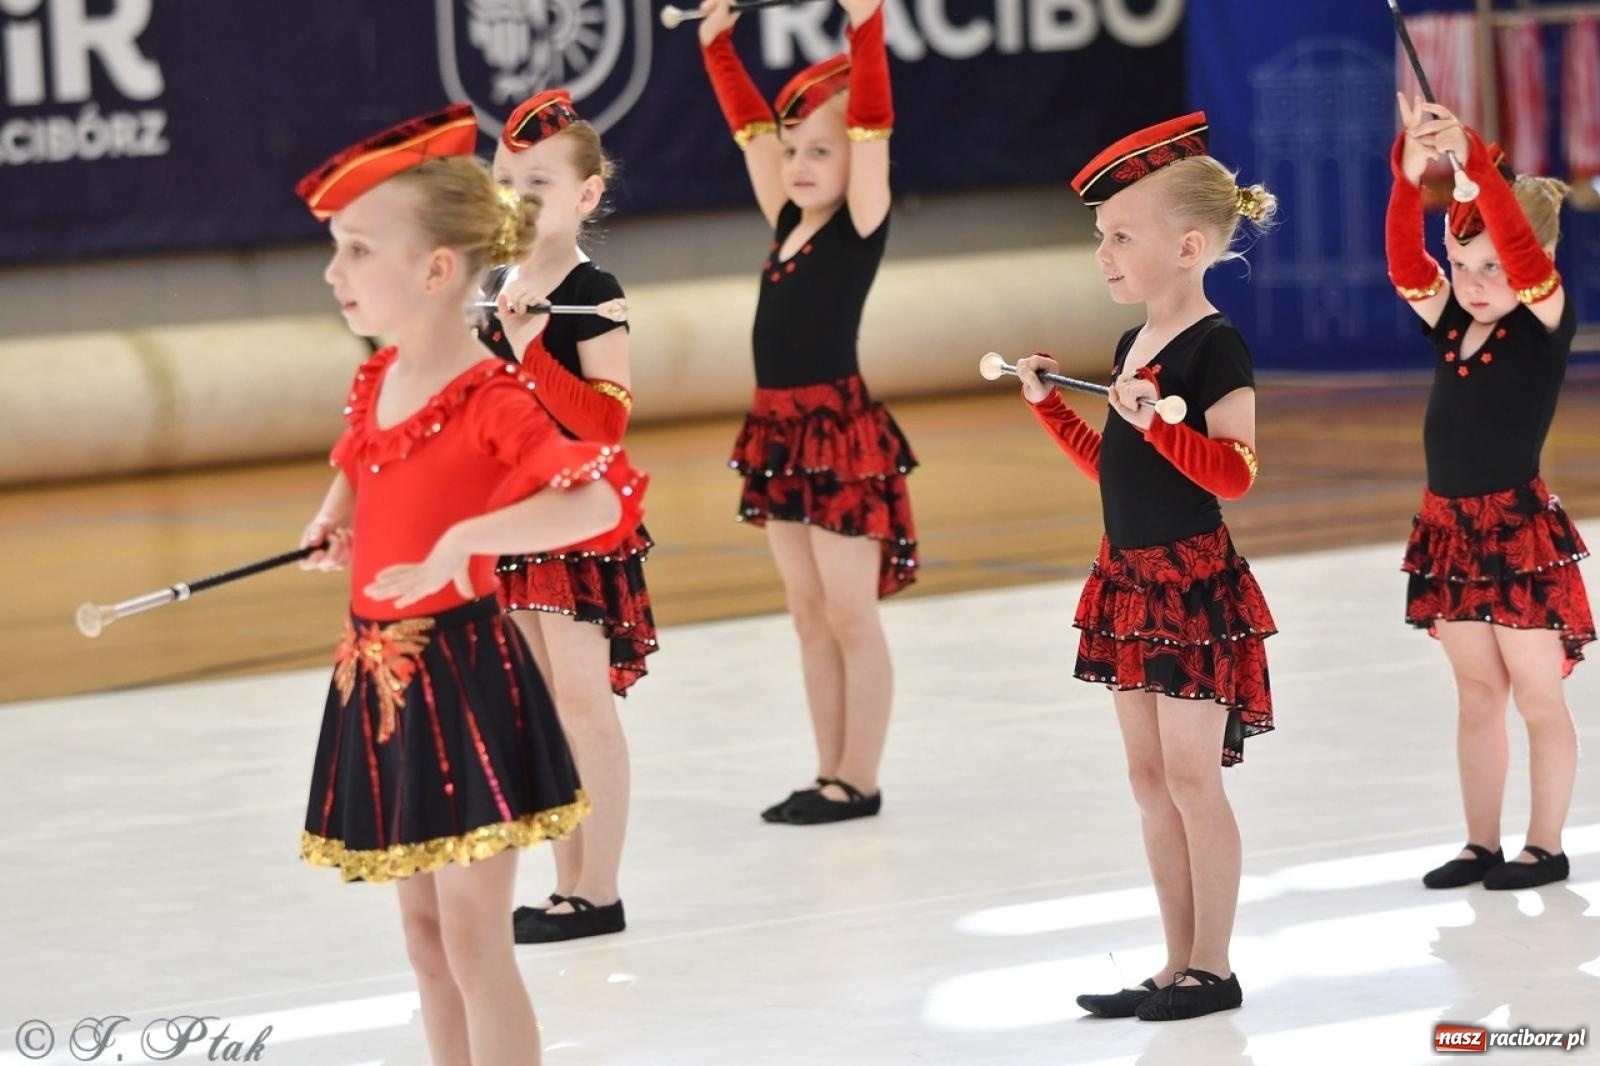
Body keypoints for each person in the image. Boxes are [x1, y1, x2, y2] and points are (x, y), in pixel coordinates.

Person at [293, 103, 647, 1064]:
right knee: (422, 940)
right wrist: (338, 516)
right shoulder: (378, 379)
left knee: (475, 939)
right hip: (380, 673)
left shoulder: (492, 393)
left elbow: (600, 501)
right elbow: (364, 454)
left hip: (464, 680)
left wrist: (470, 539)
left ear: (437, 269)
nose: (334, 273)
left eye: (358, 251)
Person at [1012, 112, 1277, 1021]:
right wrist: (1053, 410)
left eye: (1121, 236)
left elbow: (1233, 475)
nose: (1104, 254)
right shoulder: (1134, 349)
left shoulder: (1215, 348)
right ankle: (1172, 962)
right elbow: (1115, 467)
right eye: (1101, 238)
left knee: (1195, 779)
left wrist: (1166, 422)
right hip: (1127, 580)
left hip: (1193, 585)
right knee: (1149, 781)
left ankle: (1215, 964)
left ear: (1189, 245)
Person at [696, 0, 917, 824]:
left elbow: (873, 125)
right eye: (794, 151)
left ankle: (859, 778)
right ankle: (829, 770)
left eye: (820, 149)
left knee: (851, 614)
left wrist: (867, 26)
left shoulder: (860, 222)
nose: (797, 162)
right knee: (807, 613)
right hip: (778, 434)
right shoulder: (788, 219)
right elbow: (753, 129)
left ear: (854, 157)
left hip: (839, 433)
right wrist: (718, 45)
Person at [1386, 95, 1593, 892]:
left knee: (1538, 696)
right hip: (1450, 532)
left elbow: (1513, 243)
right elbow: (1408, 264)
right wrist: (1413, 179)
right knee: (1477, 693)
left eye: (1494, 269)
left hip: (1516, 533)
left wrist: (1471, 156)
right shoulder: (1451, 322)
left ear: (1534, 262)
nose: (1473, 284)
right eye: (1463, 266)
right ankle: (1481, 843)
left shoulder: (1546, 322)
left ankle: (1546, 845)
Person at [474, 88, 656, 943]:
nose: (519, 199)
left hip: (576, 520)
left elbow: (607, 423)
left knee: (583, 704)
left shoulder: (595, 289)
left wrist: (525, 351)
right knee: (539, 711)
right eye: (507, 182)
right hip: (512, 522)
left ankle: (602, 888)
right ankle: (567, 882)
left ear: (586, 194)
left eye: (539, 182)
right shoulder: (494, 287)